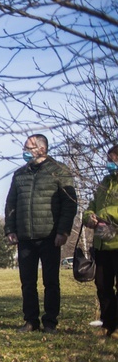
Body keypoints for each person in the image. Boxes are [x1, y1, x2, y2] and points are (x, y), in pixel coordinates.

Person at [5, 134, 77, 334]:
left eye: (29, 147)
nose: (25, 151)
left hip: (50, 236)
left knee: (51, 282)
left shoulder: (59, 171)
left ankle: (50, 322)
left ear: (42, 149)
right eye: (25, 147)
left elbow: (69, 204)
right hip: (26, 236)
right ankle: (30, 320)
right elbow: (11, 204)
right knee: (27, 282)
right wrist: (10, 229)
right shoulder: (19, 174)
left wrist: (63, 231)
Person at [83, 143, 118, 339]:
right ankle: (107, 323)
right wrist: (90, 216)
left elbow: (105, 210)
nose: (109, 163)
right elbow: (92, 206)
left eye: (113, 159)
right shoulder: (104, 183)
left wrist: (104, 213)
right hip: (102, 243)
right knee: (103, 285)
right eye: (109, 159)